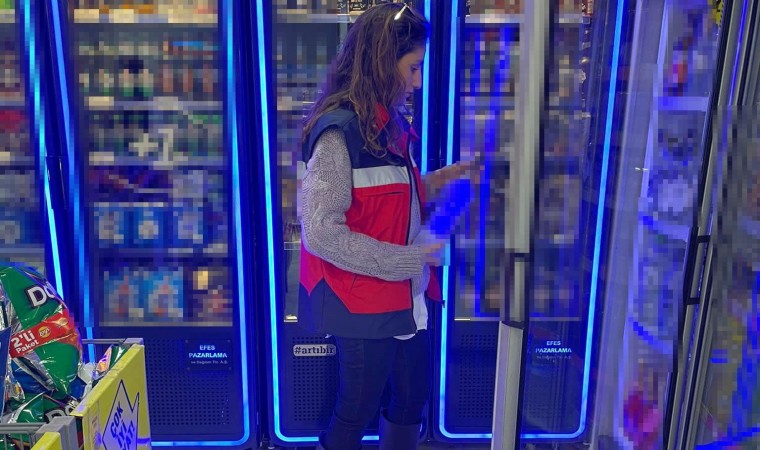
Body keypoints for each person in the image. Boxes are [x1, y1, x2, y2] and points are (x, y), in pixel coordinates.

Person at [298, 3, 474, 449]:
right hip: (360, 301)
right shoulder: (339, 133)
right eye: (413, 68)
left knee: (412, 398)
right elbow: (321, 231)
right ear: (381, 61)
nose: (418, 81)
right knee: (355, 413)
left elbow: (389, 197)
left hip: (404, 294)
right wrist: (408, 260)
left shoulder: (386, 122)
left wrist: (442, 179)